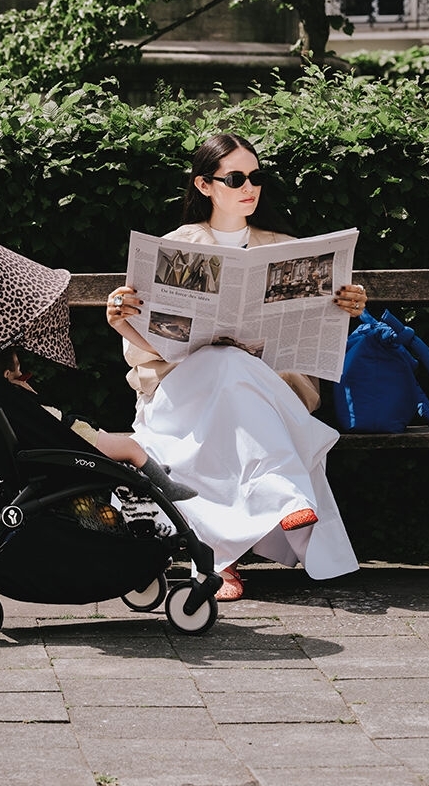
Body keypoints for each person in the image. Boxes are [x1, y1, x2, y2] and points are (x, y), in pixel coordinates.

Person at [106, 133, 368, 601]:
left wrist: (345, 306)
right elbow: (151, 350)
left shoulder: (285, 248)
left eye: (256, 176)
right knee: (222, 362)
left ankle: (218, 560)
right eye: (235, 178)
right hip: (185, 396)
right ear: (204, 185)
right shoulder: (175, 248)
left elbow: (311, 338)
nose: (250, 187)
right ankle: (285, 495)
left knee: (232, 367)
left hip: (265, 391)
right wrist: (121, 321)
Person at [0, 349, 198, 504]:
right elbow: (48, 415)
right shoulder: (18, 398)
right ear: (7, 374)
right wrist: (27, 392)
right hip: (71, 437)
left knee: (114, 443)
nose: (21, 372)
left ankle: (148, 470)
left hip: (67, 434)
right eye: (17, 367)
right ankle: (168, 487)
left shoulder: (7, 401)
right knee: (131, 447)